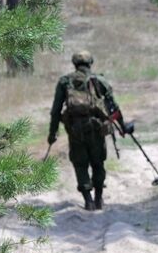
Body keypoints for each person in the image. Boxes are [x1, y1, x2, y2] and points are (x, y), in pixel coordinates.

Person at [47, 51, 127, 211]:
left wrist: (52, 133)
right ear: (90, 63)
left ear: (74, 64)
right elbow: (113, 106)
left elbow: (56, 110)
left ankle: (88, 200)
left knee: (80, 164)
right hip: (96, 128)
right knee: (98, 163)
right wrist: (123, 126)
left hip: (75, 129)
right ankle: (98, 199)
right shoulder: (99, 80)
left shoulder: (65, 81)